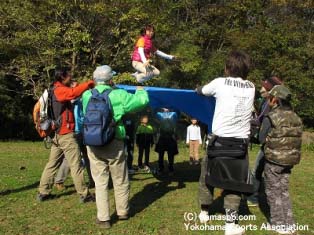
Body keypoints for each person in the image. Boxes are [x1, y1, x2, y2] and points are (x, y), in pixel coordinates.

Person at [82, 65, 149, 229]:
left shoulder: (86, 95)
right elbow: (142, 102)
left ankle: (104, 218)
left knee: (100, 181)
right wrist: (140, 88)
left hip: (92, 142)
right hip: (114, 141)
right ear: (110, 79)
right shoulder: (119, 94)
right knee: (120, 178)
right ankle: (122, 212)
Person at [196, 51, 255, 235]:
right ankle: (230, 225)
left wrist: (197, 89)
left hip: (218, 142)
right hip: (239, 146)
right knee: (234, 184)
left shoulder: (219, 82)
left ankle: (204, 212)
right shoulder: (251, 87)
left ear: (227, 68)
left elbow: (202, 92)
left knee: (206, 176)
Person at [37, 68, 95, 203]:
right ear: (63, 77)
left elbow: (72, 94)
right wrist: (89, 84)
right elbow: (73, 93)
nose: (71, 78)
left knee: (52, 164)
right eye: (69, 76)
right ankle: (84, 194)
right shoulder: (60, 90)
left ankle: (43, 192)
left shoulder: (52, 90)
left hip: (56, 134)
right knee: (76, 165)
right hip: (65, 134)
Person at [259, 85, 302, 234]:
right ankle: (289, 224)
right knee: (283, 190)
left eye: (270, 98)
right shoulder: (296, 116)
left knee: (272, 191)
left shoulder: (271, 116)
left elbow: (261, 138)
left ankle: (278, 224)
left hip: (274, 160)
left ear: (275, 99)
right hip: (290, 160)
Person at [247, 76, 282, 206]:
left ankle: (256, 198)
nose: (261, 89)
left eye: (264, 87)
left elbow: (263, 121)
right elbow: (260, 120)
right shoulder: (266, 102)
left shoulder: (273, 104)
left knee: (262, 171)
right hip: (268, 143)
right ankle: (255, 197)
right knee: (261, 169)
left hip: (272, 143)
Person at [54, 82, 95, 190]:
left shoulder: (81, 100)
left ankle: (93, 180)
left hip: (81, 130)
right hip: (73, 131)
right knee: (72, 158)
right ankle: (59, 180)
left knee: (86, 155)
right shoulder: (69, 101)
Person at [155, 108, 179, 176]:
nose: (166, 109)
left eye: (167, 107)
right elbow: (154, 111)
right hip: (162, 137)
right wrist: (160, 107)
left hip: (170, 137)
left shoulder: (174, 114)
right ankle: (160, 169)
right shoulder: (159, 114)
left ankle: (171, 169)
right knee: (160, 154)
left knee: (171, 155)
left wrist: (172, 106)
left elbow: (178, 110)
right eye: (165, 108)